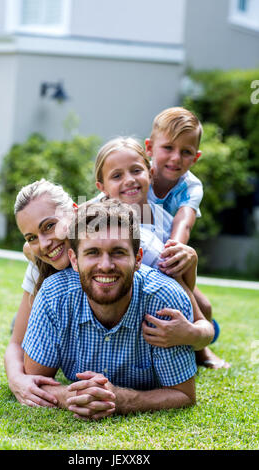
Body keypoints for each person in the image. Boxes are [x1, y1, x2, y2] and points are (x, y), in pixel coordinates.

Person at [22, 200, 197, 419]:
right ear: (74, 261)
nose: (105, 265)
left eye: (118, 252)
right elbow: (34, 382)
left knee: (207, 331)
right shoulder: (53, 294)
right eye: (93, 252)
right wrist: (73, 397)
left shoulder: (165, 298)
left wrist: (121, 399)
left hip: (193, 325)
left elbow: (184, 394)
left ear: (138, 259)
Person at [94, 136, 214, 350]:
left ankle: (202, 351)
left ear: (150, 173)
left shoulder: (162, 220)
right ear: (102, 187)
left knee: (204, 307)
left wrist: (190, 260)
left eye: (136, 171)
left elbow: (178, 279)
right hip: (116, 297)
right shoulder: (97, 218)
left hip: (158, 292)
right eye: (117, 175)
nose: (129, 179)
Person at [145, 107, 230, 369]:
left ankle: (200, 351)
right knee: (195, 301)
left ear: (196, 157)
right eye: (167, 148)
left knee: (204, 305)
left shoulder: (191, 186)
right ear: (149, 148)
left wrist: (176, 248)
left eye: (186, 152)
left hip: (164, 251)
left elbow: (184, 220)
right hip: (138, 249)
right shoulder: (139, 174)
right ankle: (202, 348)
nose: (175, 158)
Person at [4, 179, 77, 407]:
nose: (44, 244)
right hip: (41, 319)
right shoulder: (39, 265)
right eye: (32, 238)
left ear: (74, 213)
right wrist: (17, 379)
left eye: (49, 226)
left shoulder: (114, 248)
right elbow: (16, 343)